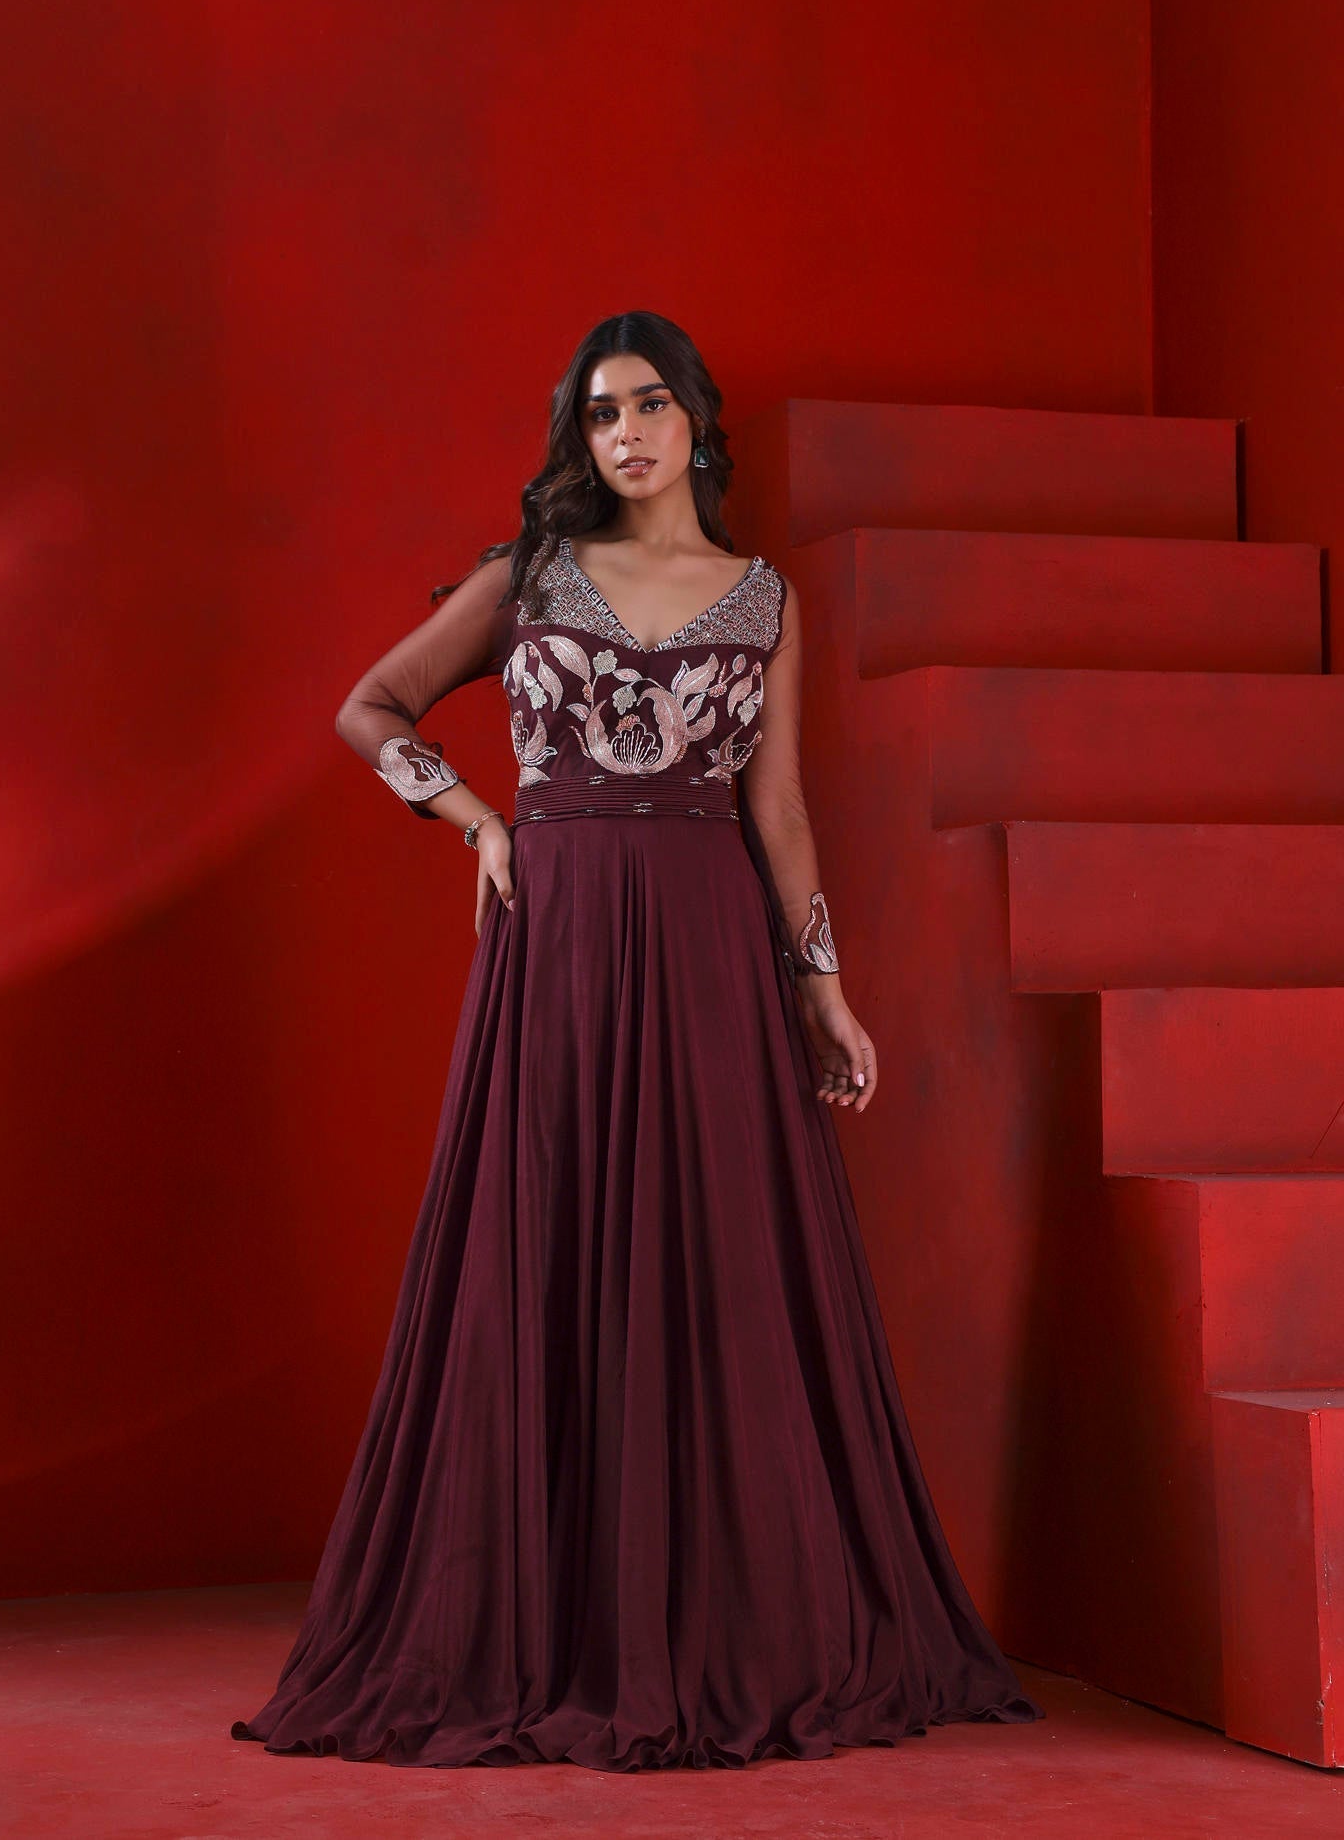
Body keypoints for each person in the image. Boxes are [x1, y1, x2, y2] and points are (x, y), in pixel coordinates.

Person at [231, 310, 1044, 1770]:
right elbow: (370, 706)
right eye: (600, 414)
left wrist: (823, 988)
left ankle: (723, 1614)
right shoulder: (530, 575)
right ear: (580, 438)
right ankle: (550, 1620)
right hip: (559, 944)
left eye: (650, 405)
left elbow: (777, 807)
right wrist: (478, 821)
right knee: (545, 1237)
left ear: (696, 422)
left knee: (716, 1254)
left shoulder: (764, 599)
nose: (626, 435)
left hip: (711, 947)